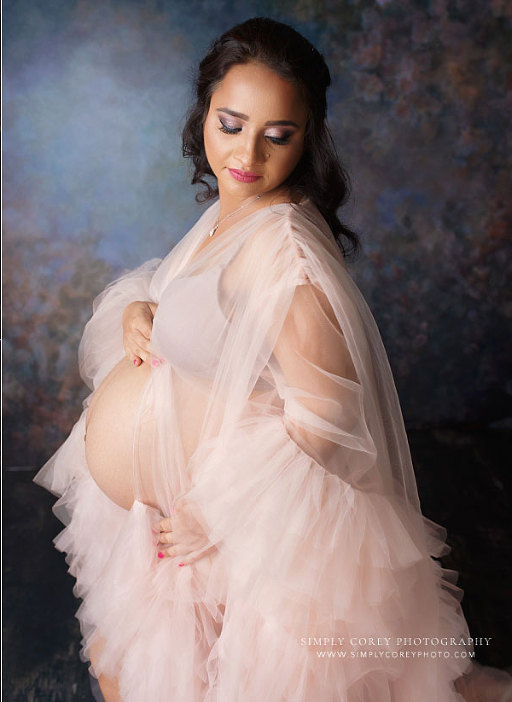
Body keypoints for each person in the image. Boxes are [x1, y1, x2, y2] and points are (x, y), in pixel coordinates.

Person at [35, 18, 512, 701]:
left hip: (221, 530)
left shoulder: (287, 252)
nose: (247, 154)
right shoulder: (231, 210)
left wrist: (212, 514)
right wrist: (145, 309)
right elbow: (210, 313)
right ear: (205, 112)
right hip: (167, 520)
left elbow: (327, 418)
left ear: (306, 137)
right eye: (231, 124)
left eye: (277, 136)